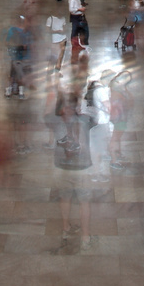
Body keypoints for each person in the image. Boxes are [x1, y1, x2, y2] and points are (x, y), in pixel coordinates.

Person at [51, 85, 93, 245]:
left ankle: (65, 228)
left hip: (62, 168)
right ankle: (85, 236)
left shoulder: (55, 122)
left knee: (65, 198)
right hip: (82, 169)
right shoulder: (85, 120)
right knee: (84, 202)